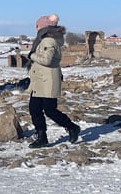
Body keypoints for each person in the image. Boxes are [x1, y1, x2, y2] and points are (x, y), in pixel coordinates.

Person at [26, 13, 81, 148]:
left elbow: (46, 60)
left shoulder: (48, 41)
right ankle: (42, 137)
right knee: (35, 109)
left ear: (43, 27)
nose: (36, 29)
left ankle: (72, 127)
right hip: (40, 81)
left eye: (37, 26)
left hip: (47, 81)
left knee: (50, 110)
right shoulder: (46, 40)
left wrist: (31, 55)